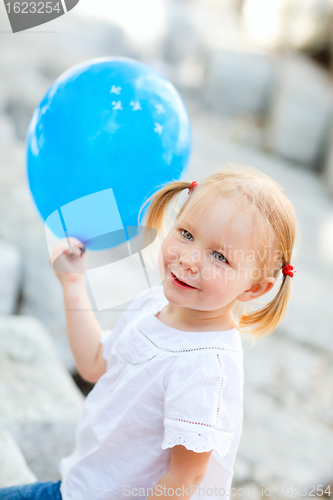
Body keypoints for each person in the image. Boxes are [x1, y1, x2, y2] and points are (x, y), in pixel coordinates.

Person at [0, 163, 298, 500]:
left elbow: (184, 479)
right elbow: (96, 363)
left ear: (255, 288)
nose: (189, 259)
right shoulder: (156, 303)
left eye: (219, 256)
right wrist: (73, 284)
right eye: (186, 234)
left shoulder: (206, 368)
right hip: (78, 489)